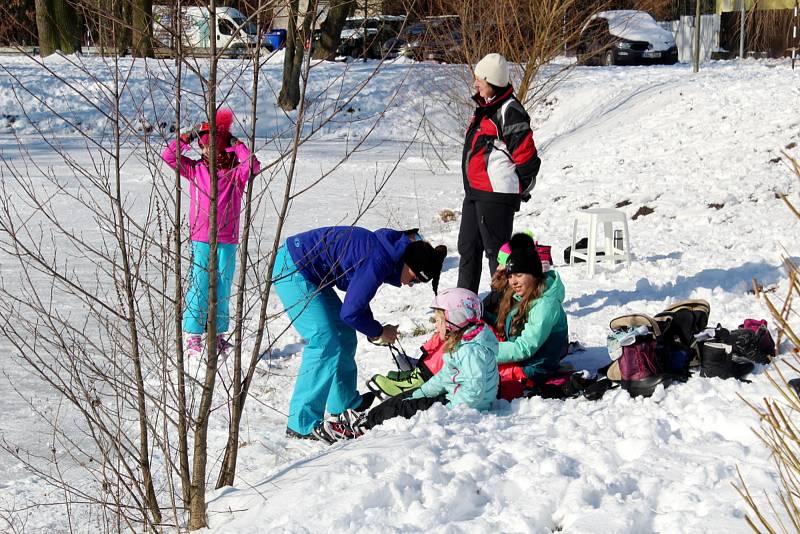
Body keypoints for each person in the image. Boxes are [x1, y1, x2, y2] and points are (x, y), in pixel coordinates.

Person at [272, 226, 447, 440]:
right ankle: (301, 423)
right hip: (292, 269)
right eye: (413, 279)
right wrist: (378, 331)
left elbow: (358, 301)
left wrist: (375, 330)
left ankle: (344, 403)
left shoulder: (387, 254)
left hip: (308, 270)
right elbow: (351, 312)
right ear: (409, 264)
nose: (409, 285)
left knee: (344, 334)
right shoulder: (379, 260)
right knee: (325, 339)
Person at [319, 288, 499, 443]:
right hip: (454, 397)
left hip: (461, 407)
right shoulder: (463, 343)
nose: (436, 325)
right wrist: (421, 392)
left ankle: (361, 427)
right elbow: (445, 376)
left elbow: (474, 392)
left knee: (403, 408)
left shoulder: (470, 351)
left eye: (438, 320)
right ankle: (367, 418)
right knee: (405, 398)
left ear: (455, 319)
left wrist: (449, 411)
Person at [162, 108, 261, 357]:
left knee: (223, 285)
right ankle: (193, 335)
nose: (207, 151)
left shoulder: (235, 175)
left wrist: (236, 144)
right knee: (201, 283)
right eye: (204, 147)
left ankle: (217, 334)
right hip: (202, 238)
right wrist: (190, 136)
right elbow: (169, 156)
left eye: (212, 147)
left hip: (227, 239)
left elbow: (253, 165)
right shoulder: (195, 170)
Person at [458, 53, 541, 294]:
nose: (475, 84)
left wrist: (518, 186)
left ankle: (503, 306)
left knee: (496, 253)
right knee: (468, 247)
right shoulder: (485, 108)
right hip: (475, 192)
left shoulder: (509, 110)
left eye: (479, 80)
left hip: (495, 194)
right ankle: (465, 305)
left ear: (491, 80)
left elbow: (526, 156)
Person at [494, 233, 568, 400]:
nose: (513, 282)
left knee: (475, 371)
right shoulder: (522, 296)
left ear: (534, 274)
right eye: (511, 276)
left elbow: (524, 348)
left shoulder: (545, 305)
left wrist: (486, 351)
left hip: (535, 367)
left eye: (519, 275)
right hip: (523, 359)